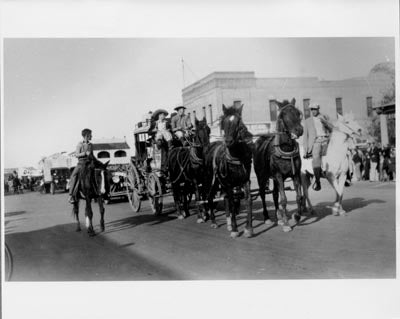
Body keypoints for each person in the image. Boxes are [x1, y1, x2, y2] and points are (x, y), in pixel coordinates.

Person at [68, 128, 102, 204]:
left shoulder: (91, 145)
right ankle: (71, 195)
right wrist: (84, 153)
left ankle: (98, 191)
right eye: (91, 135)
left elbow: (92, 155)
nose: (92, 136)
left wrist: (99, 162)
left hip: (89, 163)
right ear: (87, 135)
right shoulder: (79, 144)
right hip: (81, 163)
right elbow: (76, 155)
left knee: (98, 173)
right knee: (73, 176)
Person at [303, 103, 332, 191]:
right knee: (316, 159)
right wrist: (305, 150)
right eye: (311, 109)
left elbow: (331, 129)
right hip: (316, 142)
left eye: (315, 109)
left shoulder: (324, 117)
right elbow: (305, 137)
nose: (313, 111)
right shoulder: (307, 121)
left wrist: (325, 122)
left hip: (326, 140)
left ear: (318, 109)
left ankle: (346, 176)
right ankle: (318, 182)